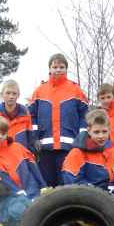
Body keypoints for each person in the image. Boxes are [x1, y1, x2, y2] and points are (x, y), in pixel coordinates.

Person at [28, 53, 88, 187]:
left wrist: (82, 137)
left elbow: (85, 115)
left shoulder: (75, 90)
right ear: (49, 69)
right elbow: (31, 117)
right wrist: (35, 137)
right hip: (44, 148)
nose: (58, 69)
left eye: (62, 67)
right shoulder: (39, 91)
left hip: (69, 147)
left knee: (66, 184)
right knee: (46, 185)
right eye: (55, 67)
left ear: (66, 69)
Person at [0, 116, 46, 223]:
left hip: (33, 192)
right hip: (11, 197)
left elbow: (33, 166)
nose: (0, 136)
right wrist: (19, 193)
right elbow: (1, 177)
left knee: (43, 220)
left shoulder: (18, 147)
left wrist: (43, 186)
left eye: (3, 133)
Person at [0, 80, 36, 154]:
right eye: (8, 93)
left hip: (21, 157)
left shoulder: (25, 115)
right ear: (2, 94)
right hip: (1, 157)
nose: (11, 96)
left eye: (14, 93)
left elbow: (30, 139)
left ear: (18, 95)